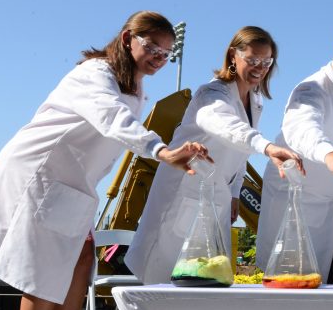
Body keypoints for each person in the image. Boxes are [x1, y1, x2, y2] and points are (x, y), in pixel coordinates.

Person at [0, 11, 210, 310]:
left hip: (72, 184)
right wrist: (160, 150)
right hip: (39, 175)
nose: (160, 57)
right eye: (152, 47)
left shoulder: (135, 85)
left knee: (79, 263)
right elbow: (113, 118)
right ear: (128, 39)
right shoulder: (96, 73)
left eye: (166, 52)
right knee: (43, 265)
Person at [125, 26, 302, 284]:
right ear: (233, 56)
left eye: (266, 61)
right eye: (252, 60)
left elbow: (239, 150)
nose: (260, 67)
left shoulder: (255, 101)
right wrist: (266, 147)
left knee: (209, 277)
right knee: (165, 277)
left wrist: (234, 192)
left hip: (216, 194)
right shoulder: (212, 93)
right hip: (184, 190)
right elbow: (223, 124)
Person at [255, 27, 333, 283]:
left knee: (327, 282)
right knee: (290, 285)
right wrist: (330, 155)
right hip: (299, 204)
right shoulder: (311, 88)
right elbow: (301, 128)